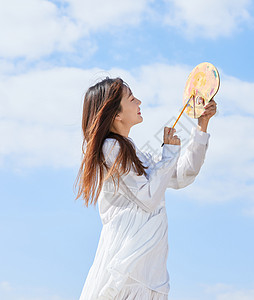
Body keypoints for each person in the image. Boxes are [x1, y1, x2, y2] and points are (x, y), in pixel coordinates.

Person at [76, 77, 217, 299]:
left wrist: (202, 126)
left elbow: (182, 176)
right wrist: (168, 154)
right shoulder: (110, 149)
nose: (139, 101)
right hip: (127, 272)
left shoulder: (136, 154)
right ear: (116, 114)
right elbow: (148, 196)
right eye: (131, 98)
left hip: (150, 273)